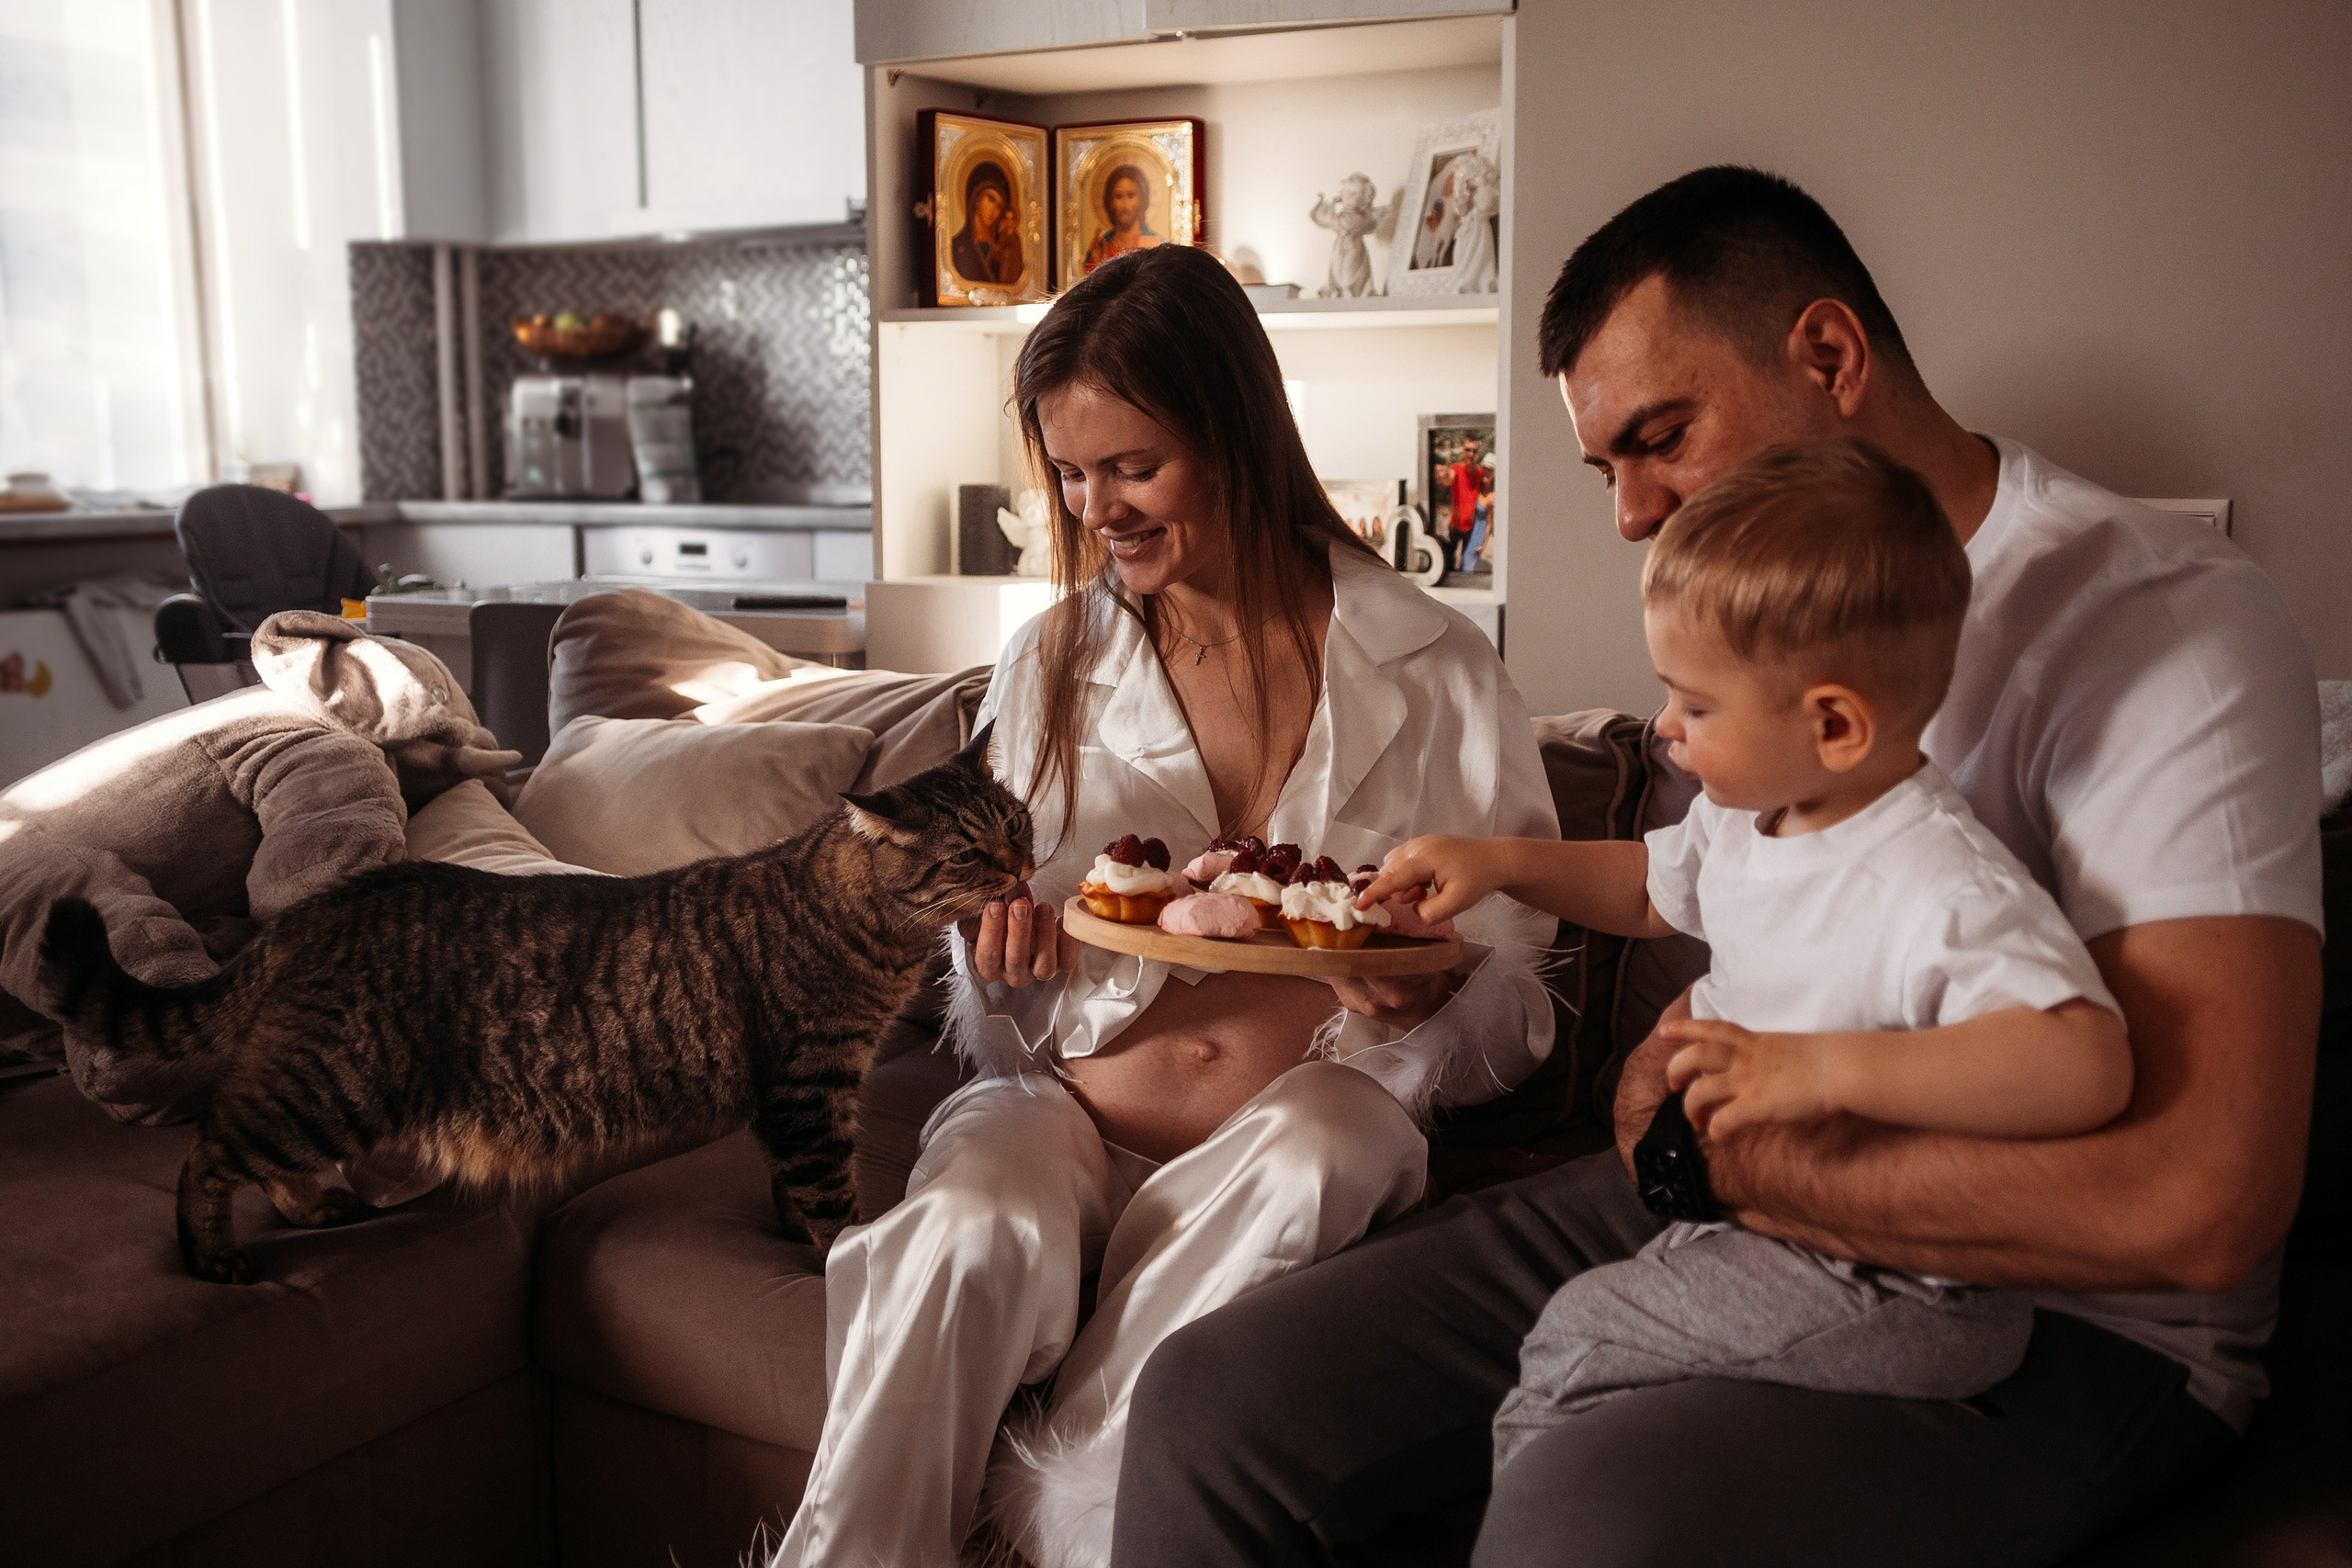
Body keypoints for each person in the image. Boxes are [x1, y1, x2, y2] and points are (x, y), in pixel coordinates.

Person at [1112, 165, 2324, 1566]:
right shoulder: (1750, 657)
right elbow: (1693, 921)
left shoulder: (2162, 630)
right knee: (1217, 1396)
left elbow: (2204, 1194)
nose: (1630, 510)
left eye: (1661, 434)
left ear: (1828, 354)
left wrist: (1732, 1151)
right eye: (1603, 466)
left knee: (1594, 1502)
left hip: (2057, 1309)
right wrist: (1664, 1096)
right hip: (1720, 1194)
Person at [773, 243, 1558, 1568]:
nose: (1100, 510)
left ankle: (1061, 1535)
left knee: (1331, 1145)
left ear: (1239, 435)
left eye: (1134, 467)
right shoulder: (1049, 660)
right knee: (963, 1226)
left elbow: (1521, 993)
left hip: (1300, 1122)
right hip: (1071, 1105)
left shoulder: (1436, 665)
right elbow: (1011, 1004)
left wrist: (1442, 984)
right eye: (1074, 475)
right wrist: (1002, 961)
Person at [1360, 436, 2133, 1465]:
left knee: (1577, 1344)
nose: (1667, 730)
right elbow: (1649, 888)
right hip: (1750, 1225)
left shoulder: (1939, 881)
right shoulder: (1755, 814)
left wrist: (1815, 1068)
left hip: (1901, 1284)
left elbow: (2083, 1061)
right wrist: (1498, 861)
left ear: (1835, 724)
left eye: (1696, 703)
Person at [951, 160, 1023, 287]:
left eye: (1000, 206)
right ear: (976, 199)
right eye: (991, 199)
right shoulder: (957, 246)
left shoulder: (1006, 247)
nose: (994, 211)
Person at [1082, 164, 1163, 273]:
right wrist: (1098, 266)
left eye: (1131, 195)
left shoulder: (1155, 242)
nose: (1124, 204)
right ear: (1110, 202)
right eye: (1119, 196)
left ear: (1141, 200)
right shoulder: (1101, 247)